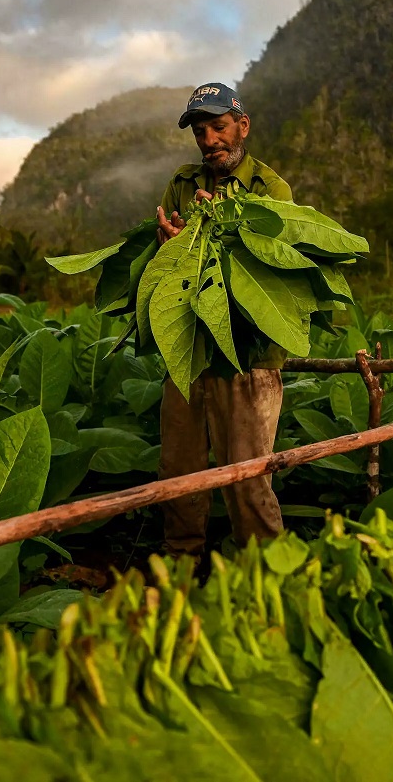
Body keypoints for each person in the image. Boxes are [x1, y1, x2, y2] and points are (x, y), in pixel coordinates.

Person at [154, 82, 293, 558]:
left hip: (249, 354)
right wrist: (173, 246)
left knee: (248, 478)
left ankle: (265, 579)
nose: (209, 140)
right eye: (199, 131)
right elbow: (172, 267)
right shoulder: (181, 184)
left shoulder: (269, 189)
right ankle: (183, 569)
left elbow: (276, 269)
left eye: (218, 127)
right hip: (190, 347)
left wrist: (227, 235)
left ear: (242, 125)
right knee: (179, 472)